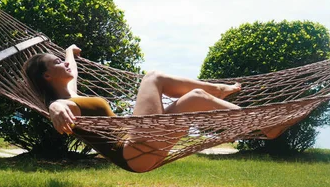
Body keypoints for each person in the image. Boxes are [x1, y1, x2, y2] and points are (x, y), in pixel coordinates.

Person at [24, 44, 283, 172]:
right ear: (47, 76)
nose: (65, 64)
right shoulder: (67, 104)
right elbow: (57, 106)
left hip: (142, 150)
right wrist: (54, 109)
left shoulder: (72, 93)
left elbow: (73, 69)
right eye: (58, 62)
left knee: (196, 97)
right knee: (153, 78)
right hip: (133, 150)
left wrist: (69, 51)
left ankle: (264, 126)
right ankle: (218, 87)